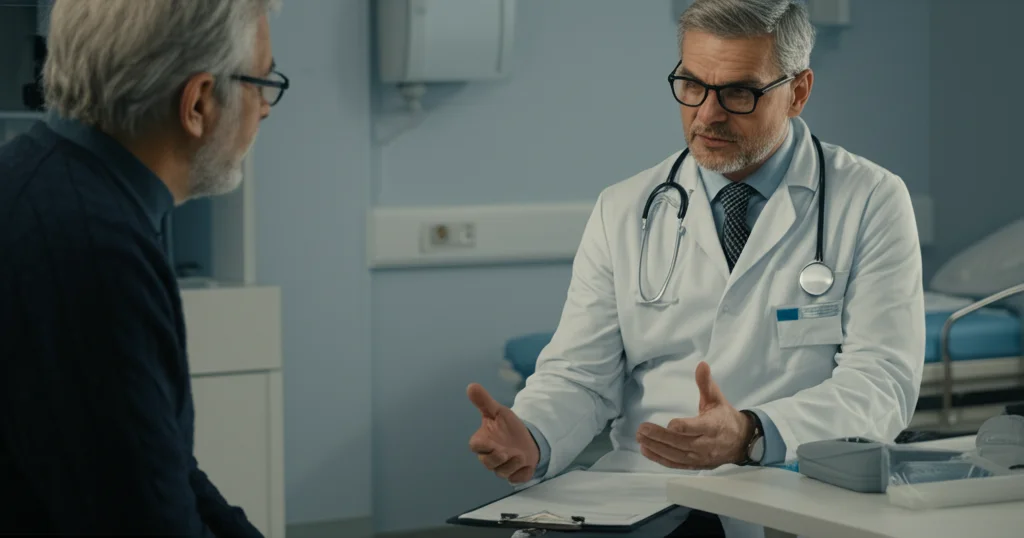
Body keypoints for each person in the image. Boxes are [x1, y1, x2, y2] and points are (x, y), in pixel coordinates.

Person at [466, 0, 925, 536]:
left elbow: (881, 384)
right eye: (691, 85)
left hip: (796, 488)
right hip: (644, 490)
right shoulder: (625, 207)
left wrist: (751, 433)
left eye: (738, 92)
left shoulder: (869, 199)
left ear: (798, 92)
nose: (707, 114)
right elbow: (581, 375)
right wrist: (534, 434)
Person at [0, 0, 287, 535]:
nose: (265, 108)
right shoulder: (91, 251)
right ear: (199, 102)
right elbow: (149, 518)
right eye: (259, 83)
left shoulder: (41, 181)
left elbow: (164, 466)